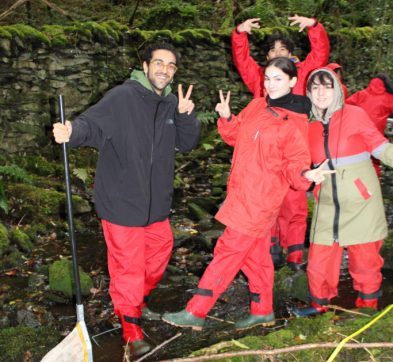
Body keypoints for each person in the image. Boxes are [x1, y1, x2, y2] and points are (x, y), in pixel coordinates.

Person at [161, 57, 334, 331]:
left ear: (292, 82)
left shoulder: (295, 122)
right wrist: (227, 117)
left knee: (227, 250)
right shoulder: (257, 105)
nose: (270, 84)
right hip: (241, 192)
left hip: (261, 200)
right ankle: (263, 310)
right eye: (267, 78)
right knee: (257, 257)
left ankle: (197, 311)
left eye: (278, 79)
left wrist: (306, 176)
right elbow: (236, 138)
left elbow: (295, 163)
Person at [52, 42, 200, 357]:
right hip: (121, 205)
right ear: (145, 66)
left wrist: (186, 115)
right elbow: (92, 125)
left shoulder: (171, 102)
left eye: (171, 65)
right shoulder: (123, 97)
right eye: (158, 62)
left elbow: (187, 143)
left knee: (159, 256)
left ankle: (130, 303)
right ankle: (131, 328)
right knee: (129, 269)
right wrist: (71, 130)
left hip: (156, 206)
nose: (165, 69)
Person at [292, 67, 393, 317]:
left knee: (365, 261)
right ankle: (319, 304)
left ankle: (367, 306)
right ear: (309, 93)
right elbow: (297, 163)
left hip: (361, 202)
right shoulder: (309, 125)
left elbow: (380, 148)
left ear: (336, 89)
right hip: (327, 201)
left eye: (327, 86)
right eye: (315, 87)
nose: (321, 92)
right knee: (318, 261)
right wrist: (304, 174)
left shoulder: (355, 114)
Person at [232, 15, 330, 269]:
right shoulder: (260, 80)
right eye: (272, 50)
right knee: (268, 205)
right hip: (265, 154)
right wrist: (239, 34)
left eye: (282, 50)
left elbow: (319, 54)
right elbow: (242, 61)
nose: (277, 53)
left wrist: (314, 27)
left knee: (295, 204)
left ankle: (295, 257)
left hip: (295, 149)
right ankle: (271, 250)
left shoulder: (302, 76)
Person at [346, 73, 393, 177]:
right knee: (374, 161)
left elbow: (345, 106)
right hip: (375, 135)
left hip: (357, 134)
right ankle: (373, 186)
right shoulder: (389, 97)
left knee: (358, 160)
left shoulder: (361, 94)